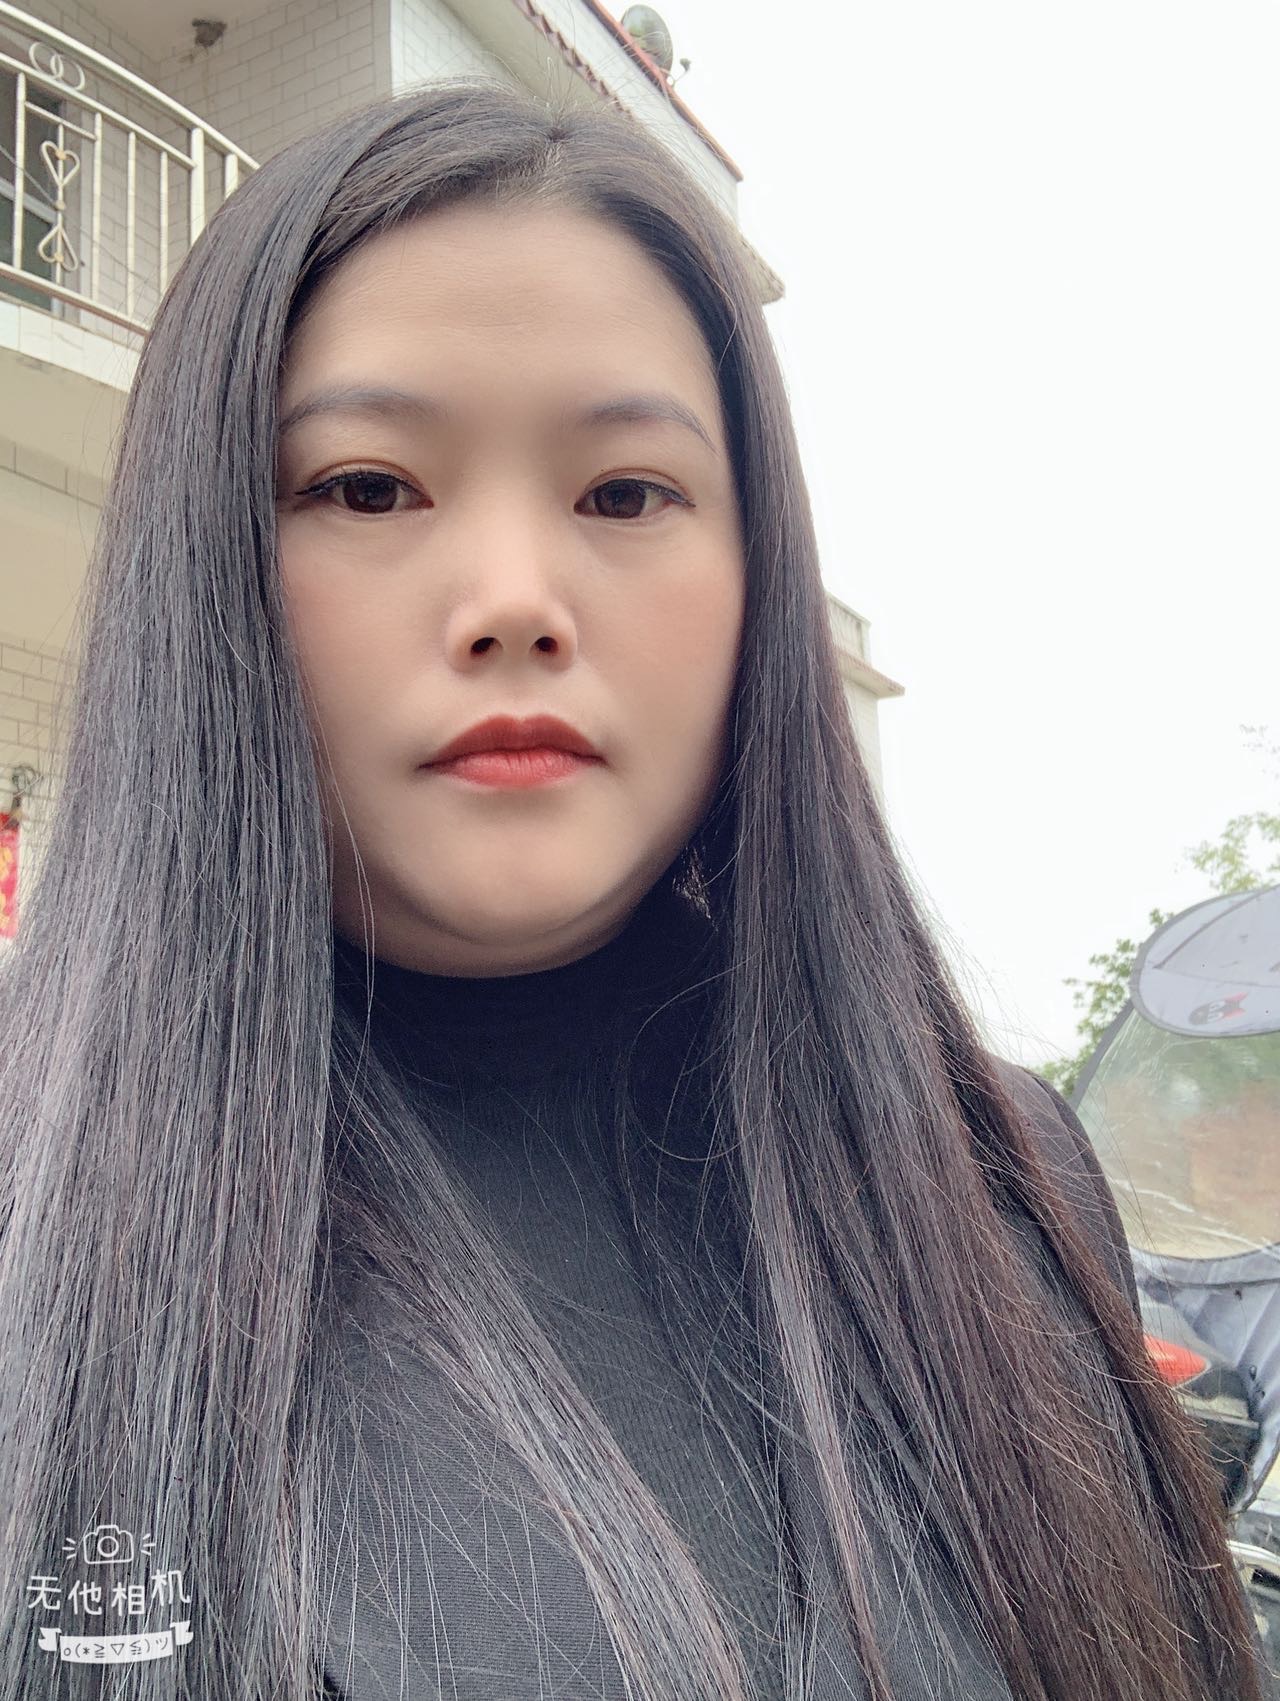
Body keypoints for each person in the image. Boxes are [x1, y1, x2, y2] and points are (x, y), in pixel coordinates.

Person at [0, 79, 1267, 1701]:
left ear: (756, 577)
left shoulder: (995, 1171)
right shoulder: (43, 1208)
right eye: (370, 487)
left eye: (624, 494)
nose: (515, 599)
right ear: (207, 559)